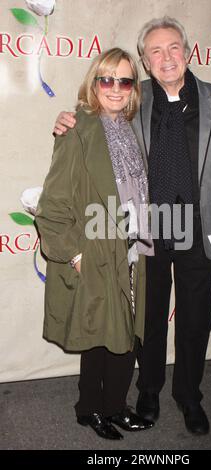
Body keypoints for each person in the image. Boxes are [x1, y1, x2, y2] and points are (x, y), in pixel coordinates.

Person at [53, 16, 211, 436]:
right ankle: (148, 391)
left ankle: (189, 396)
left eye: (173, 47)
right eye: (155, 50)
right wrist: (65, 121)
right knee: (148, 317)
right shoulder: (131, 98)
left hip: (200, 226)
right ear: (144, 59)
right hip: (148, 228)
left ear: (188, 50)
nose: (166, 57)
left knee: (196, 318)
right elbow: (93, 119)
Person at [36, 47, 154, 441]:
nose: (116, 88)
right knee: (100, 336)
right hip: (97, 248)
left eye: (125, 80)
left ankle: (116, 407)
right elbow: (52, 204)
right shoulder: (78, 128)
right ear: (94, 82)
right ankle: (90, 409)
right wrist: (75, 253)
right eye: (107, 79)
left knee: (126, 333)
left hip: (135, 246)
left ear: (134, 88)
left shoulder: (132, 127)